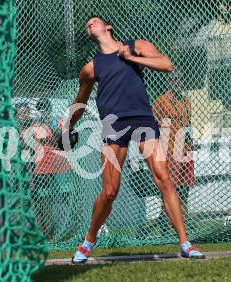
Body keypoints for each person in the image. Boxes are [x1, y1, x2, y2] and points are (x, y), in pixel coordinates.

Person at [67, 16, 205, 263]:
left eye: (94, 21)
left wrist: (132, 58)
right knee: (109, 192)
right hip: (114, 125)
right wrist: (68, 126)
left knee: (164, 177)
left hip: (142, 118)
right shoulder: (91, 67)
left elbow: (166, 64)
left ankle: (185, 243)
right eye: (87, 24)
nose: (89, 24)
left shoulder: (135, 46)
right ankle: (88, 242)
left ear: (108, 26)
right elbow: (80, 102)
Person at [151, 72, 195, 233]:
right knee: (170, 188)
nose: (177, 83)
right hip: (169, 151)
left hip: (185, 151)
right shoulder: (161, 101)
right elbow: (151, 123)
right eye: (173, 80)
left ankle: (180, 222)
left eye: (179, 80)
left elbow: (188, 124)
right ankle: (165, 224)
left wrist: (191, 143)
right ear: (168, 83)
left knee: (185, 189)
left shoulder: (186, 101)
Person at [22, 98, 71, 239]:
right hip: (43, 166)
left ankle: (66, 228)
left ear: (50, 110)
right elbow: (27, 143)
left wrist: (53, 128)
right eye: (40, 109)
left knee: (65, 196)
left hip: (59, 165)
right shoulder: (34, 127)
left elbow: (64, 139)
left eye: (45, 108)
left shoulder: (57, 122)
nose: (43, 111)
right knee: (45, 198)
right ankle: (46, 230)